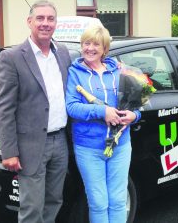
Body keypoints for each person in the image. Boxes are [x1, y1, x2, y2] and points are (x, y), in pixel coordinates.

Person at [0, 0, 71, 223]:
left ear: (56, 23)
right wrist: (9, 151)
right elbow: (4, 108)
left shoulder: (63, 53)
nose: (45, 23)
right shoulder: (12, 57)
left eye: (50, 19)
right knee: (31, 208)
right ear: (29, 22)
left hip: (61, 141)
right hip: (31, 146)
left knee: (54, 200)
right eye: (40, 18)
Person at [66, 25, 141, 223]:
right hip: (88, 147)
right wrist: (103, 111)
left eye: (96, 44)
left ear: (104, 48)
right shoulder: (75, 73)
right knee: (98, 202)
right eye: (86, 43)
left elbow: (135, 104)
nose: (90, 48)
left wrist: (134, 116)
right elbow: (71, 107)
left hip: (120, 145)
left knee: (117, 200)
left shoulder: (118, 71)